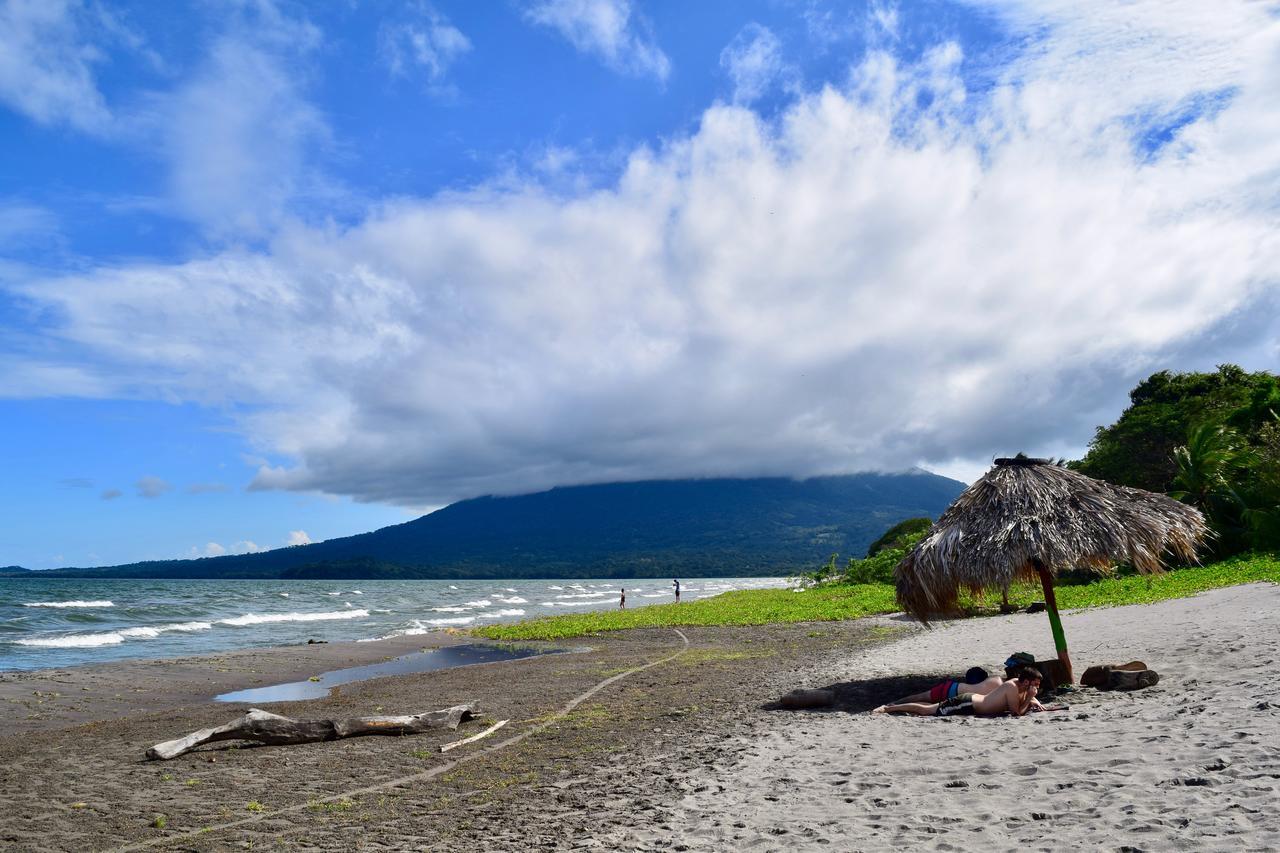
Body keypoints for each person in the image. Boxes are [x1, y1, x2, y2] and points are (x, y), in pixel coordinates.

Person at [872, 668, 1044, 717]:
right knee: (927, 710)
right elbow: (1016, 712)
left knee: (930, 707)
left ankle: (897, 707)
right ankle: (888, 708)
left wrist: (1033, 700)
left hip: (970, 701)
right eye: (1034, 685)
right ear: (1026, 682)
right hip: (967, 703)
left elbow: (1020, 700)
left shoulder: (1016, 683)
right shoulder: (1012, 687)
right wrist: (1030, 698)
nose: (1035, 688)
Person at [885, 667, 1004, 705]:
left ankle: (897, 703)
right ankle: (896, 704)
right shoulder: (999, 690)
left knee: (921, 697)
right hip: (955, 693)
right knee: (925, 701)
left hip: (953, 688)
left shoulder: (994, 680)